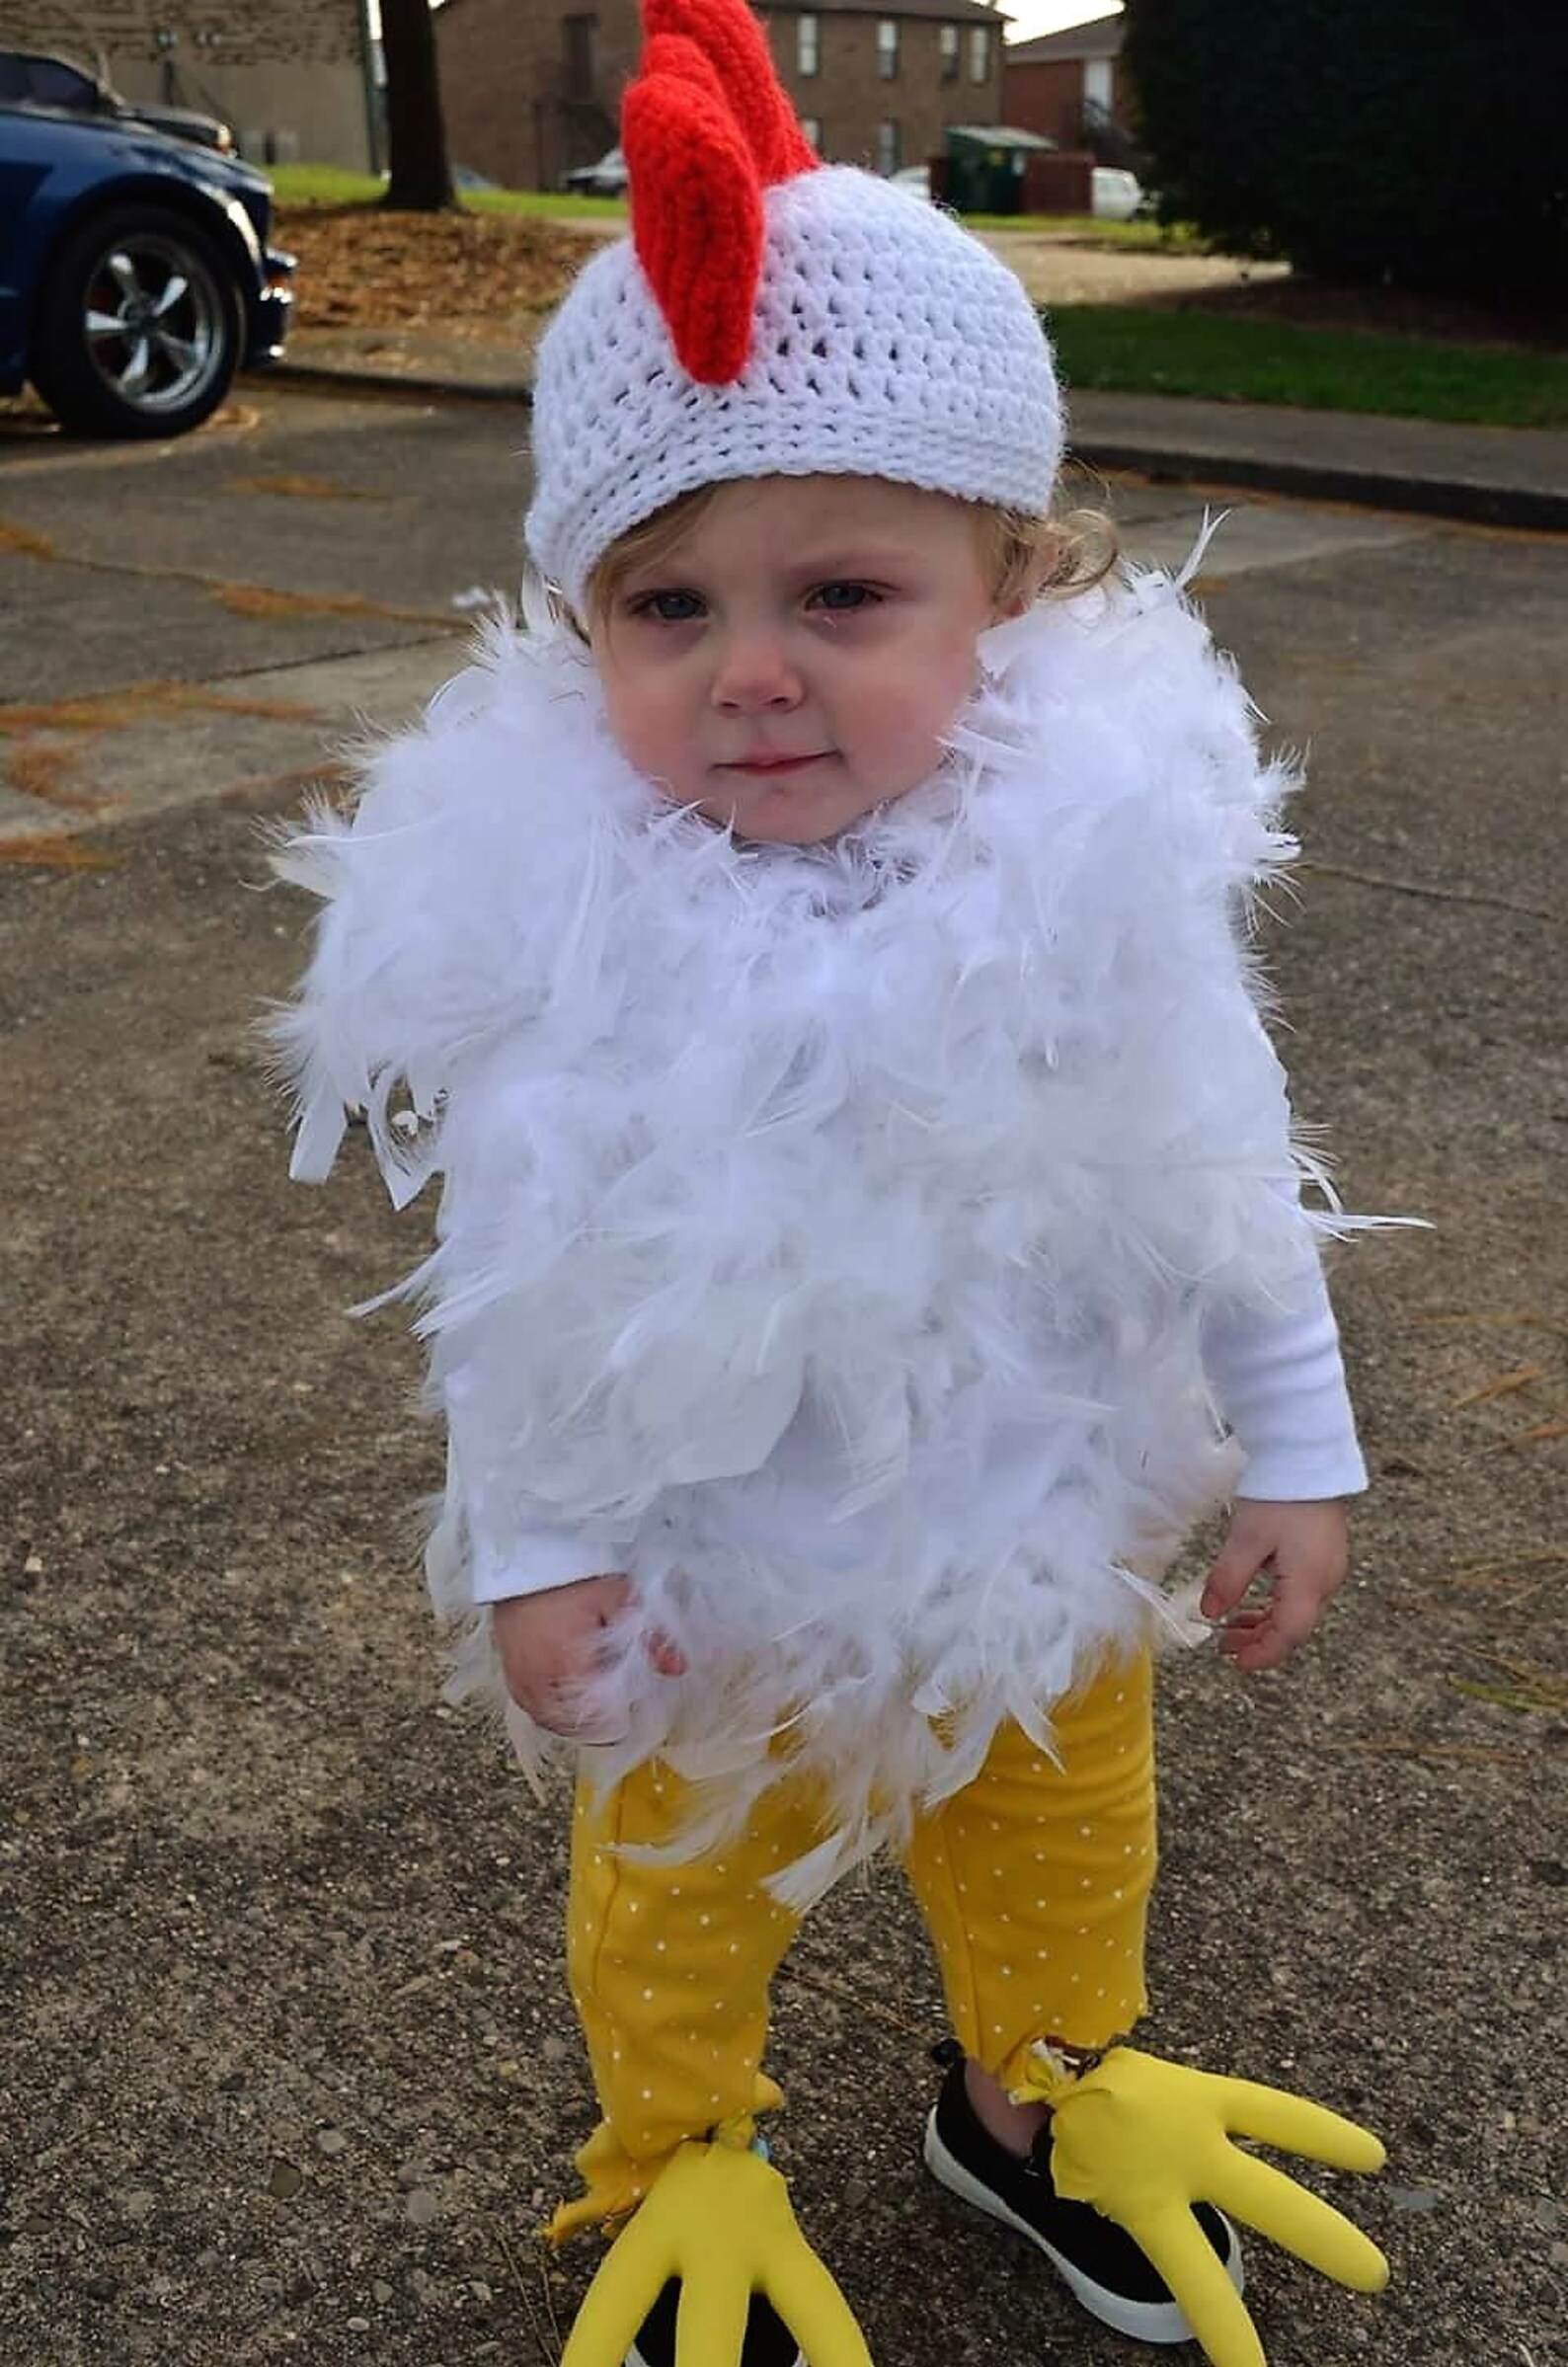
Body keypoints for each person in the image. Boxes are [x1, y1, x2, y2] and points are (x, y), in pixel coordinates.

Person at [272, 3, 1392, 2362]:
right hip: (706, 1554)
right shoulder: (579, 923)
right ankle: (682, 2153)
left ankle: (1036, 2105)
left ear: (1013, 581)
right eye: (666, 608)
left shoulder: (1097, 871)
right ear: (582, 624)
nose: (750, 674)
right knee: (679, 1894)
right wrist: (539, 1544)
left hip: (1037, 1530)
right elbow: (527, 1272)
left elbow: (1216, 1172)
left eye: (841, 596)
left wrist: (1292, 1445)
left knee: (1068, 1844)